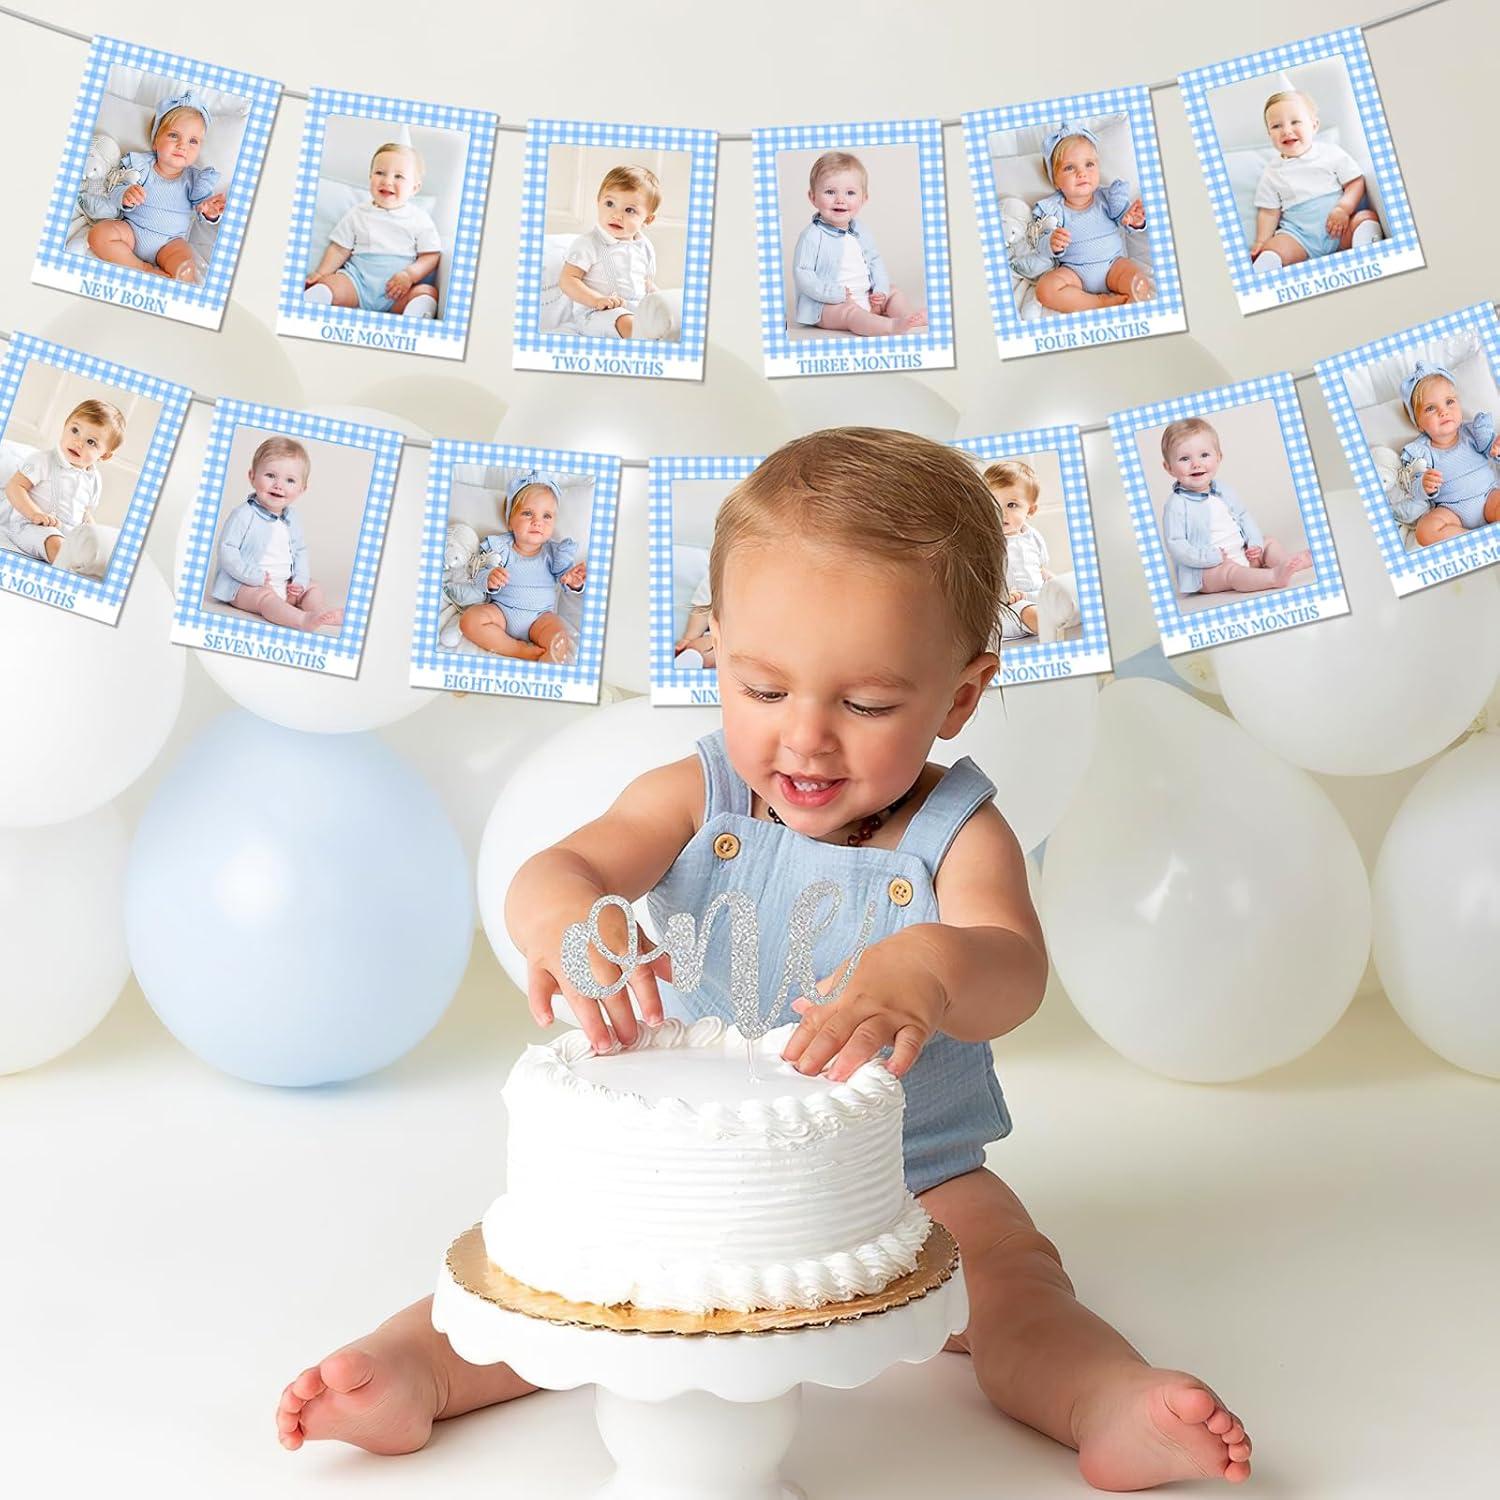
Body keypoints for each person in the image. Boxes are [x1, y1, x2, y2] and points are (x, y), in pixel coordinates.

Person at [277, 427, 1252, 1489]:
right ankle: (414, 1371)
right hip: (683, 1171)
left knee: (1014, 1282)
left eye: (867, 704)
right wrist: (567, 918)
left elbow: (1012, 969)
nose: (806, 739)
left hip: (917, 1179)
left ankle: (1103, 1398)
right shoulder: (696, 798)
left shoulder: (958, 835)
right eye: (763, 689)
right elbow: (562, 865)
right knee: (547, 1273)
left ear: (959, 696)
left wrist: (933, 962)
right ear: (715, 650)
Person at [82, 91, 225, 282]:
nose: (183, 146)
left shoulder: (195, 179)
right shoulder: (142, 166)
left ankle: (175, 280)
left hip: (170, 243)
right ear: (156, 141)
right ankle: (142, 268)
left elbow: (202, 207)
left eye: (193, 141)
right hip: (131, 231)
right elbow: (116, 190)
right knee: (98, 234)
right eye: (174, 136)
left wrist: (209, 210)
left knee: (186, 265)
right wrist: (126, 194)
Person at [1159, 417, 1311, 596]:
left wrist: (1254, 544)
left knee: (1269, 541)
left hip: (1244, 554)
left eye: (1204, 455)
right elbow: (1176, 545)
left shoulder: (1223, 490)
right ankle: (1273, 577)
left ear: (1219, 457)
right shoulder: (1176, 504)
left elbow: (1243, 516)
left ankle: (1287, 563)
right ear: (1169, 468)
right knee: (1231, 572)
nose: (1196, 464)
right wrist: (1209, 558)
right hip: (1209, 570)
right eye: (1185, 458)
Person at [211, 436, 343, 630]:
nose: (278, 485)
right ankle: (301, 620)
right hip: (247, 585)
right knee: (264, 598)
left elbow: (300, 551)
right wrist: (252, 576)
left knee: (313, 586)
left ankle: (319, 612)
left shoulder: (293, 519)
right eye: (271, 475)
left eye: (290, 480)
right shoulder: (243, 515)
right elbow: (227, 551)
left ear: (301, 489)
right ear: (252, 476)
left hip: (285, 584)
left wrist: (300, 581)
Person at [1017, 125, 1152, 313]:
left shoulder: (1108, 198)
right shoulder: (1053, 209)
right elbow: (1039, 241)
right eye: (1069, 168)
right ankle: (1100, 303)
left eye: (1089, 164)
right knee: (1045, 289)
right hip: (1075, 273)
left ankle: (1129, 302)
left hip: (1113, 265)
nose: (1082, 173)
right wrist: (1051, 242)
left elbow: (1124, 218)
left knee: (1139, 281)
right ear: (1055, 180)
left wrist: (1134, 220)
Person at [791, 151, 927, 335]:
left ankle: (909, 317)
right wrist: (833, 294)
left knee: (894, 292)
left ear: (864, 199)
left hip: (867, 296)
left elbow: (875, 261)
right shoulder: (812, 236)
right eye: (830, 192)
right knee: (850, 313)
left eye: (850, 193)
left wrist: (880, 291)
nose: (840, 199)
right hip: (830, 305)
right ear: (813, 197)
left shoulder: (861, 230)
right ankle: (890, 326)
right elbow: (803, 275)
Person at [458, 471, 585, 663]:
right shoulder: (500, 548)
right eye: (528, 513)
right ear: (510, 521)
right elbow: (478, 573)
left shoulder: (554, 552)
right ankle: (517, 650)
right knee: (469, 620)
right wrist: (490, 578)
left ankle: (548, 660)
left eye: (547, 516)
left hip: (540, 618)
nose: (537, 522)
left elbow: (564, 576)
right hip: (501, 613)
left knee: (559, 633)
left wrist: (573, 581)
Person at [1248, 90, 1382, 273]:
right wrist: (1262, 241)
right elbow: (1269, 212)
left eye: (1295, 122)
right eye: (1276, 126)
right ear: (1269, 134)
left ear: (1314, 125)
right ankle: (1265, 268)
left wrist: (1343, 208)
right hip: (1299, 238)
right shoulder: (1272, 172)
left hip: (1341, 229)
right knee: (1275, 247)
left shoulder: (1330, 153)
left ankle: (1365, 255)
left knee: (1366, 218)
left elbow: (1355, 182)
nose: (1286, 130)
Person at [303, 142, 441, 317]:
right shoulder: (358, 213)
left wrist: (410, 275)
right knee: (331, 284)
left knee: (427, 292)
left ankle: (416, 314)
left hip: (399, 291)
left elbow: (430, 256)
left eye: (399, 176)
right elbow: (339, 248)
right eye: (379, 173)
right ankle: (316, 299)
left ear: (414, 188)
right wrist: (321, 273)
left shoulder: (419, 219)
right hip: (357, 283)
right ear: (370, 177)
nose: (387, 181)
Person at [0, 399, 124, 575]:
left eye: (91, 442)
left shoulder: (94, 479)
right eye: (75, 430)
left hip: (68, 532)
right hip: (29, 525)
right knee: (57, 545)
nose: (78, 442)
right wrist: (34, 513)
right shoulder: (43, 460)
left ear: (104, 455)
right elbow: (15, 487)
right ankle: (70, 573)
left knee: (98, 552)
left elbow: (85, 514)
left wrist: (92, 533)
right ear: (65, 426)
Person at [1391, 360, 1500, 547]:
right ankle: (1478, 542)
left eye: (1449, 402)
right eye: (1430, 408)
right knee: (1425, 530)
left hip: (1488, 495)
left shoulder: (1472, 432)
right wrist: (1424, 485)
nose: (1443, 411)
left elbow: (1491, 449)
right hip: (1451, 511)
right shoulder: (1421, 451)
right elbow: (1414, 486)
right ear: (1418, 423)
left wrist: (1496, 448)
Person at [559, 165, 661, 340]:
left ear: (648, 219)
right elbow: (568, 280)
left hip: (634, 308)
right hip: (596, 313)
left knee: (663, 320)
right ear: (598, 202)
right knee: (628, 324)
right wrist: (596, 300)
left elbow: (646, 282)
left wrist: (659, 299)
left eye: (629, 210)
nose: (616, 215)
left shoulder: (644, 247)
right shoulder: (588, 243)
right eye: (610, 204)